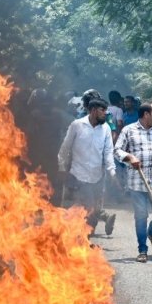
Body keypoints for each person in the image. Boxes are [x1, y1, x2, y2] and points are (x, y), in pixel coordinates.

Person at [113, 102, 152, 262]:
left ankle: (151, 232)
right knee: (141, 215)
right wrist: (130, 157)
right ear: (146, 114)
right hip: (137, 182)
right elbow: (117, 150)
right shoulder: (128, 130)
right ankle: (142, 250)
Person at [57, 97, 117, 237]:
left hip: (97, 176)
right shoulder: (77, 125)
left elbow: (108, 152)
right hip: (79, 175)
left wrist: (112, 171)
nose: (105, 113)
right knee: (88, 206)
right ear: (93, 110)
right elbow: (64, 149)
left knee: (94, 210)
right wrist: (61, 168)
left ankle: (84, 237)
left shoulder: (106, 128)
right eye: (103, 110)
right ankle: (82, 239)